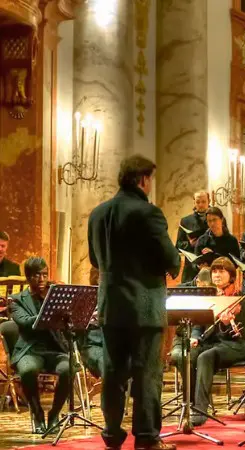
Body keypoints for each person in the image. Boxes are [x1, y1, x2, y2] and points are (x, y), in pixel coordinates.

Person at [88, 155, 181, 450]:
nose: (151, 185)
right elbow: (169, 257)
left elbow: (94, 260)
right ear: (143, 179)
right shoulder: (148, 213)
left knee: (113, 372)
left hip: (110, 306)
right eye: (151, 179)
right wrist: (175, 264)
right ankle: (146, 437)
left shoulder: (97, 213)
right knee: (146, 373)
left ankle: (112, 434)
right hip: (144, 308)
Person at [172, 257, 245, 427]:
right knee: (188, 355)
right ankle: (193, 402)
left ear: (231, 275)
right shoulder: (210, 295)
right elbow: (199, 322)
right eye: (214, 271)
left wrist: (225, 325)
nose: (216, 275)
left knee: (205, 357)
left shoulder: (240, 296)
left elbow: (242, 332)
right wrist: (194, 336)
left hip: (238, 345)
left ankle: (200, 410)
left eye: (221, 271)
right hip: (214, 344)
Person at [9, 257, 70, 434]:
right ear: (28, 277)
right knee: (27, 370)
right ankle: (37, 414)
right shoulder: (16, 299)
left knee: (68, 369)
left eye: (44, 274)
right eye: (37, 275)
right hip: (30, 349)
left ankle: (54, 414)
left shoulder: (55, 295)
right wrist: (50, 309)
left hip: (54, 349)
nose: (42, 279)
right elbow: (25, 322)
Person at [175, 191, 210, 284]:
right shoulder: (186, 221)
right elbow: (178, 245)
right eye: (198, 202)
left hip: (211, 265)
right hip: (191, 267)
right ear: (194, 202)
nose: (201, 205)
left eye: (203, 202)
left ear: (209, 201)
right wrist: (190, 244)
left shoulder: (216, 219)